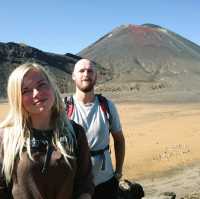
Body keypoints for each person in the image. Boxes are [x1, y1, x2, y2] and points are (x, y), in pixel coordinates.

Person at [0, 62, 94, 199]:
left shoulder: (75, 132)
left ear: (52, 87)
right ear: (17, 98)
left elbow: (84, 182)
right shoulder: (5, 137)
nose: (36, 93)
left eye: (41, 85)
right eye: (25, 90)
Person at [66, 58, 125, 199]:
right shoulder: (63, 109)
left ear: (96, 77)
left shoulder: (107, 106)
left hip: (105, 182)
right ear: (73, 76)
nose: (86, 74)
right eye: (81, 71)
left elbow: (119, 140)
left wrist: (118, 172)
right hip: (75, 184)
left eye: (90, 71)